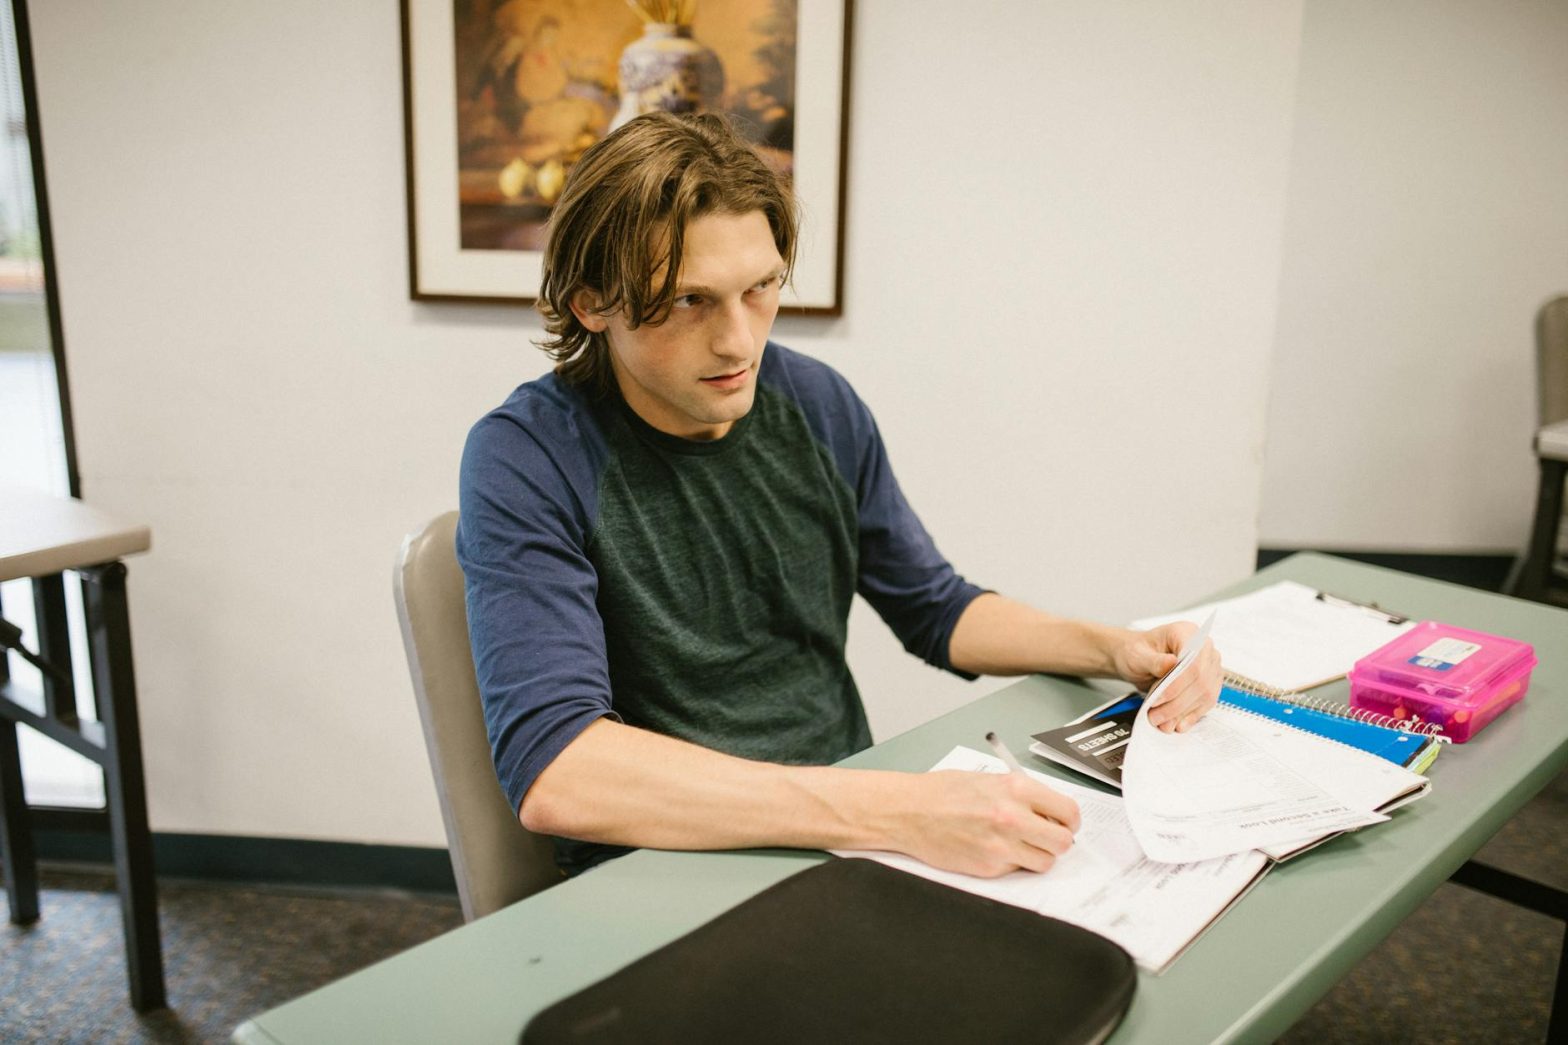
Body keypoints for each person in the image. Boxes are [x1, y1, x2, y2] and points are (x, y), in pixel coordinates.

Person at [458, 111, 1221, 879]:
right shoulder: (526, 456)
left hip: (845, 834)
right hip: (664, 864)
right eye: (690, 300)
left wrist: (1116, 647)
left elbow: (937, 607)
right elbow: (558, 771)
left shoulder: (817, 403)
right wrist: (894, 810)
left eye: (759, 289)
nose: (739, 341)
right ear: (593, 303)